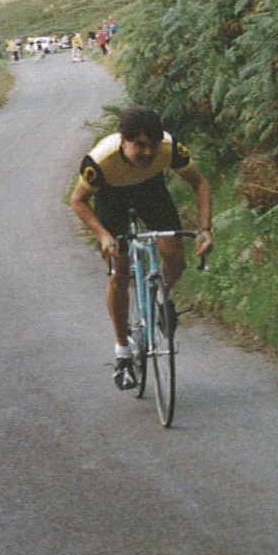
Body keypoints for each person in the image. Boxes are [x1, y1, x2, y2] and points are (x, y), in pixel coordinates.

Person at [70, 106, 213, 390]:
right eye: (140, 145)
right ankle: (123, 351)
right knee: (118, 273)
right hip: (111, 198)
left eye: (153, 145)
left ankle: (161, 298)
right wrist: (103, 236)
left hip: (150, 189)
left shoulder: (171, 149)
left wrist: (205, 229)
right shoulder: (100, 161)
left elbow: (199, 183)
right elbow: (78, 201)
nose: (148, 153)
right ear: (123, 140)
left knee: (174, 258)